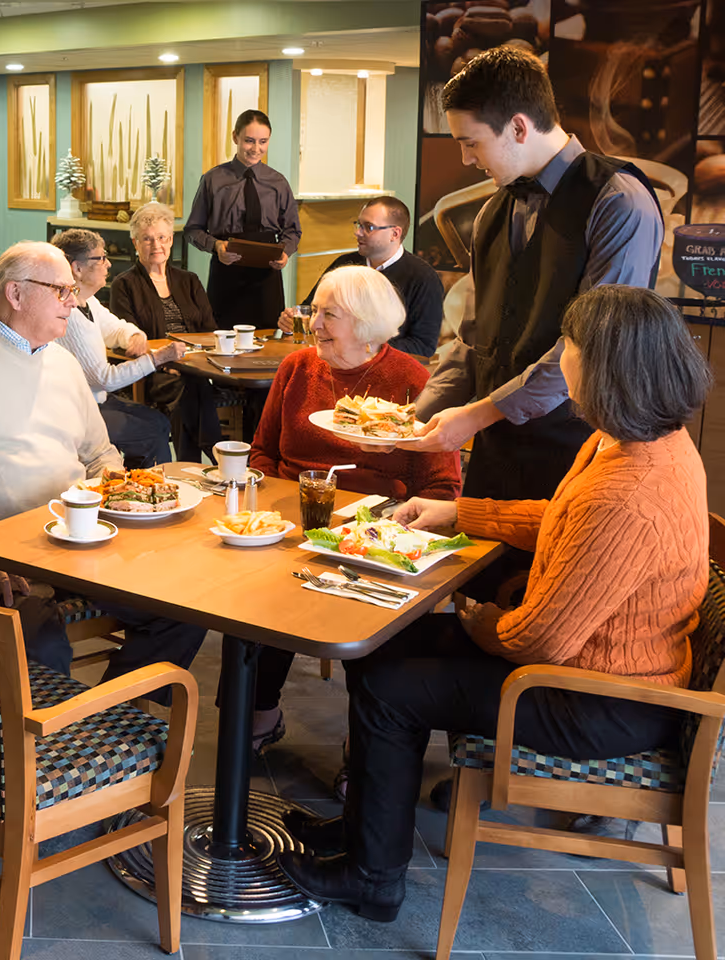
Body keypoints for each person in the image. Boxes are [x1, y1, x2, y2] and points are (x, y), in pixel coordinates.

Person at [277, 284, 712, 922]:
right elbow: (566, 519)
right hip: (606, 665)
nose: (560, 360)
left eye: (571, 348)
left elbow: (538, 640)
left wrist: (474, 618)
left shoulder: (629, 492)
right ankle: (363, 834)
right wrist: (462, 513)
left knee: (392, 681)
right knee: (385, 651)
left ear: (605, 369)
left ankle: (372, 878)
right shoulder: (642, 443)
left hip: (603, 699)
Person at [0, 241, 206, 692]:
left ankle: (105, 721)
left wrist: (127, 495)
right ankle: (48, 747)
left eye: (72, 289)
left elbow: (100, 454)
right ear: (17, 294)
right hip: (6, 548)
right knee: (40, 644)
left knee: (184, 609)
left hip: (82, 537)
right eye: (61, 290)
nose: (75, 299)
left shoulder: (63, 364)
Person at [403, 47, 663, 504]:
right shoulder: (490, 212)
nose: (466, 160)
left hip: (580, 451)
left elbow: (590, 347)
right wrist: (410, 419)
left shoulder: (618, 201)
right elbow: (474, 340)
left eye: (471, 142)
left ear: (519, 127)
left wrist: (480, 413)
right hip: (496, 452)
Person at [246, 265, 461, 753]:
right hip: (292, 516)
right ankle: (258, 713)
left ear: (365, 324)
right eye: (315, 312)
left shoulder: (411, 380)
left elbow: (443, 486)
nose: (314, 324)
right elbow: (262, 452)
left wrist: (392, 524)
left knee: (365, 617)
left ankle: (365, 746)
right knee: (255, 601)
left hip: (374, 528)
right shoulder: (297, 368)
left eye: (329, 315)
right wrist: (279, 504)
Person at [50, 228, 180, 469]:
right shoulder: (70, 316)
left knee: (159, 421)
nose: (108, 264)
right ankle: (149, 488)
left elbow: (116, 328)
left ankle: (134, 481)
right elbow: (105, 379)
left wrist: (135, 335)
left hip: (98, 400)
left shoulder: (87, 300)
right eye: (100, 258)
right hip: (79, 411)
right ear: (77, 268)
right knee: (152, 430)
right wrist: (156, 359)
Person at [111, 201, 223, 462]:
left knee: (192, 384)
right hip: (153, 372)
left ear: (171, 240)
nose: (155, 245)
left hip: (195, 367)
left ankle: (190, 466)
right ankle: (214, 455)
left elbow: (210, 331)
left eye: (161, 237)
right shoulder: (124, 285)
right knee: (189, 387)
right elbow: (127, 336)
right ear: (135, 243)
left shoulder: (189, 280)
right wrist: (163, 360)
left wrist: (190, 361)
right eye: (147, 239)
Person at [278, 197, 443, 357]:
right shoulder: (344, 264)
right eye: (358, 225)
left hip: (388, 373)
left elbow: (423, 346)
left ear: (394, 233)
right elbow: (310, 310)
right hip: (333, 363)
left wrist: (360, 347)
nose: (358, 233)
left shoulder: (423, 278)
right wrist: (290, 322)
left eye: (368, 227)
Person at [185, 109, 302, 327]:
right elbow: (192, 230)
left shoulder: (278, 182)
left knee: (268, 342)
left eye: (263, 141)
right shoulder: (213, 180)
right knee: (225, 339)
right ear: (235, 137)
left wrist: (285, 252)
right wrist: (217, 246)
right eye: (249, 141)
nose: (256, 149)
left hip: (267, 274)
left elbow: (293, 229)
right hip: (227, 272)